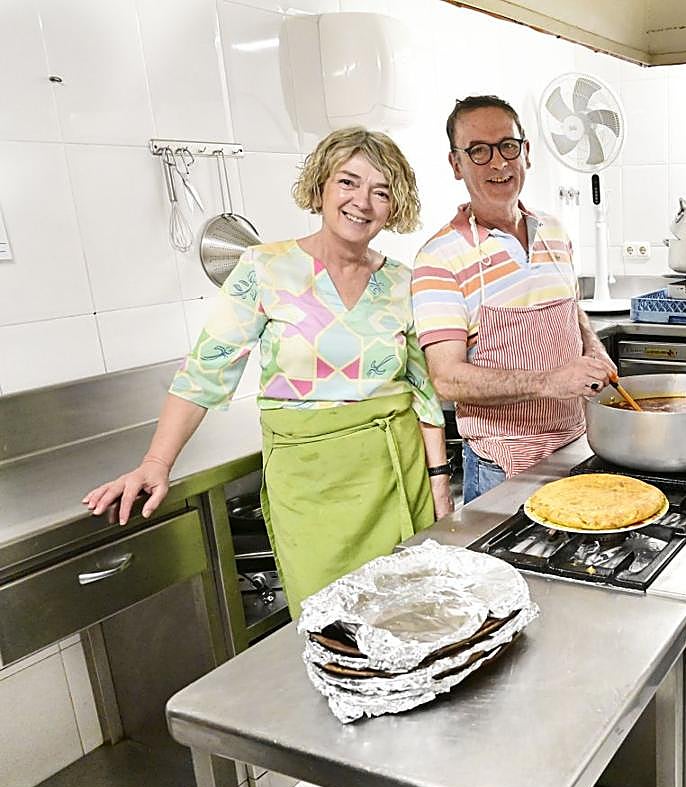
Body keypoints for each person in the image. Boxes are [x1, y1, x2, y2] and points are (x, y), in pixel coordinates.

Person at [83, 127, 453, 616]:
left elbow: (422, 392)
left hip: (394, 475)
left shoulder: (402, 282)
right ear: (321, 185)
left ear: (394, 206)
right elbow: (203, 374)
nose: (362, 201)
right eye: (348, 182)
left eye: (380, 191)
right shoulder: (264, 269)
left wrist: (440, 486)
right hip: (308, 485)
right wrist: (156, 463)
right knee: (330, 624)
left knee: (414, 617)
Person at [411, 95, 616, 503]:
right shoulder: (439, 258)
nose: (498, 163)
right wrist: (550, 382)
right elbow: (447, 378)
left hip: (576, 447)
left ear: (526, 152)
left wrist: (592, 347)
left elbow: (571, 310)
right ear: (456, 164)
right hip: (500, 468)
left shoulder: (555, 231)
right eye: (478, 151)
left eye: (508, 146)